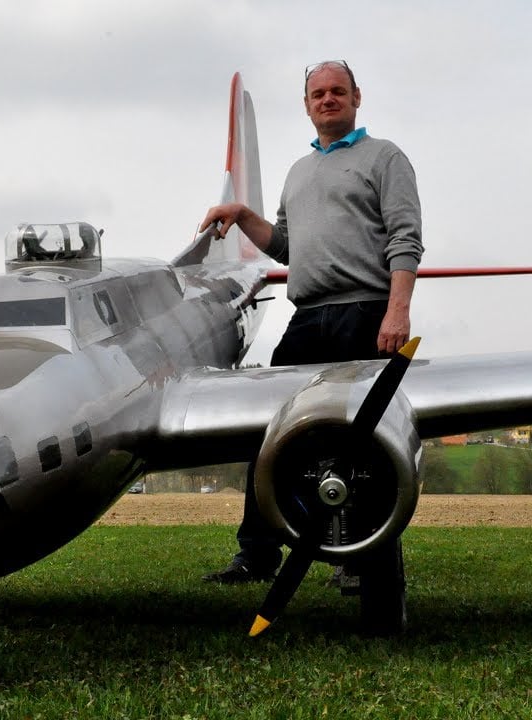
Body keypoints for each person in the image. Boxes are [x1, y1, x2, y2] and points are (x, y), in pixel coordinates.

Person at [199, 60, 423, 585]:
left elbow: (405, 239)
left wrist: (397, 310)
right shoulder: (299, 172)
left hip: (365, 312)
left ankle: (359, 558)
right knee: (272, 430)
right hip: (308, 318)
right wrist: (241, 213)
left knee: (361, 442)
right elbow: (283, 245)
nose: (328, 99)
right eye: (318, 93)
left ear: (356, 97)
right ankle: (256, 553)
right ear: (306, 105)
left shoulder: (385, 157)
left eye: (337, 92)